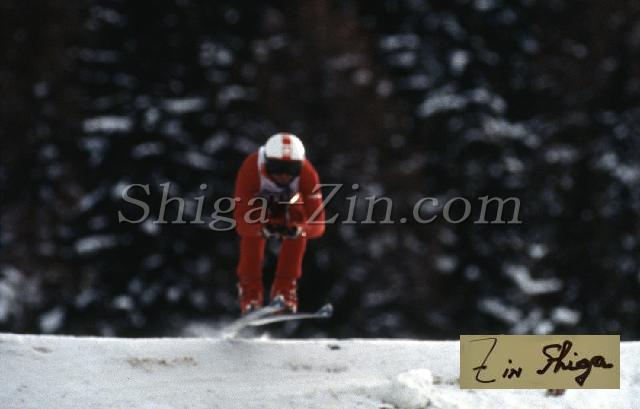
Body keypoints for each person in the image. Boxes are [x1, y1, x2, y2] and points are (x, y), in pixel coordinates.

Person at [233, 133, 325, 314]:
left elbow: (319, 225)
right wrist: (261, 229)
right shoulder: (251, 168)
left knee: (299, 221)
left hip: (290, 207)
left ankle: (285, 289)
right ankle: (250, 291)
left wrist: (300, 229)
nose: (284, 176)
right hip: (259, 208)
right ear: (266, 163)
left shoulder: (308, 174)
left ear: (300, 166)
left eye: (291, 170)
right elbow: (241, 222)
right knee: (253, 224)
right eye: (277, 168)